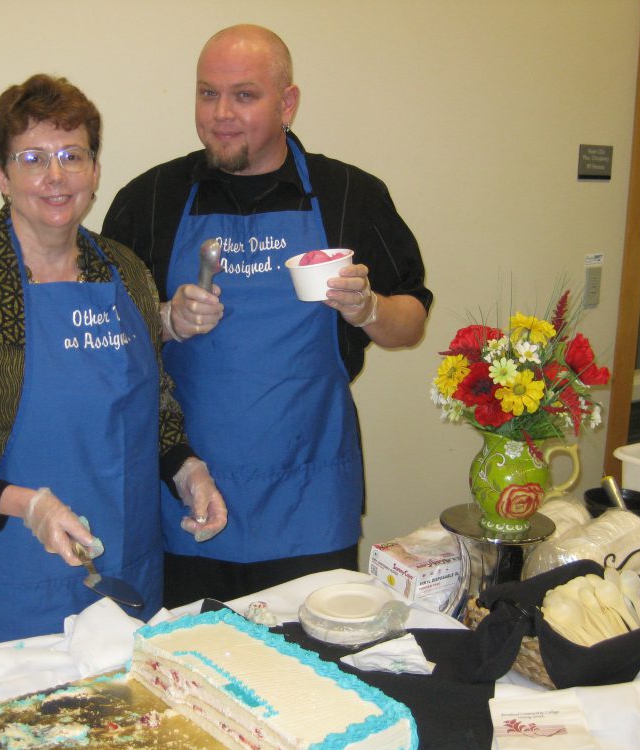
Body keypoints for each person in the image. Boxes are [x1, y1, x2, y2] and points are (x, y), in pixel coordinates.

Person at [0, 74, 226, 654]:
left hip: (123, 562)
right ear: (2, 176)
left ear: (95, 171)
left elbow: (156, 406)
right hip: (4, 570)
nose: (56, 175)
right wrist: (31, 505)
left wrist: (188, 469)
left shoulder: (128, 274)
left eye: (73, 155)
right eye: (33, 158)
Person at [103, 25, 433, 608]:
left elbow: (411, 320)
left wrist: (371, 308)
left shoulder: (350, 194)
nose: (221, 114)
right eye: (208, 94)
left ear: (287, 104)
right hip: (183, 496)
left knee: (310, 680)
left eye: (244, 96)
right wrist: (164, 318)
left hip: (308, 501)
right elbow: (107, 339)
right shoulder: (149, 200)